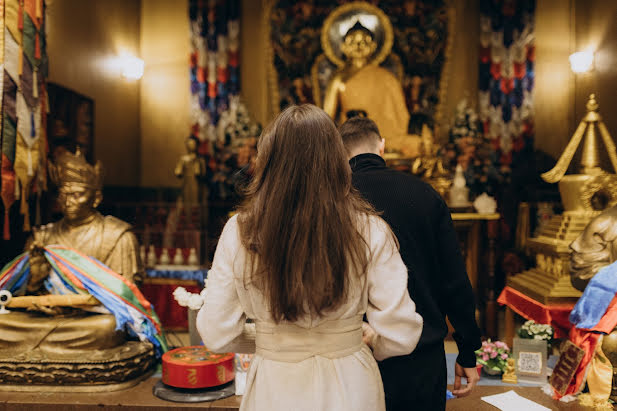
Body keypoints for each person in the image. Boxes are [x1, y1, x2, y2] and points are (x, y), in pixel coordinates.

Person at [197, 104, 423, 411]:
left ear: (267, 161)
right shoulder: (371, 229)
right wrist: (363, 336)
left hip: (275, 386)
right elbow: (401, 332)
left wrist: (270, 337)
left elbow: (217, 332)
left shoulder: (241, 230)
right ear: (338, 160)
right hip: (351, 383)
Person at [339, 116, 481, 411]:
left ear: (339, 153)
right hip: (421, 358)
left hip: (351, 356)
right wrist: (467, 351)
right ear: (382, 145)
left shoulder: (332, 200)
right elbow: (453, 281)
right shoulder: (425, 195)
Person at [322, 22, 420, 157]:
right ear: (344, 47)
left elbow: (401, 116)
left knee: (416, 143)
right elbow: (327, 119)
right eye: (353, 42)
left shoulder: (386, 77)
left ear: (373, 46)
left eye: (364, 42)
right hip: (352, 137)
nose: (358, 46)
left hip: (385, 137)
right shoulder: (339, 79)